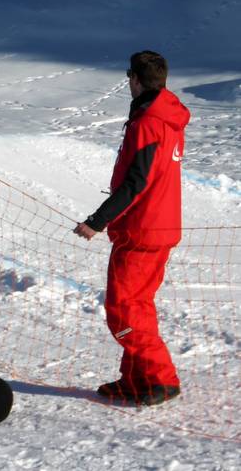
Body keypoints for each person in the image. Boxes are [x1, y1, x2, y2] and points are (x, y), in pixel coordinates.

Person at [73, 51, 190, 406]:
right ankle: (136, 380)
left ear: (136, 80)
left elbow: (136, 182)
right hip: (159, 227)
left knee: (122, 309)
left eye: (130, 76)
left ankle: (161, 378)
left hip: (141, 230)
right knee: (137, 306)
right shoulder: (167, 116)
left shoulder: (148, 123)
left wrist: (97, 221)